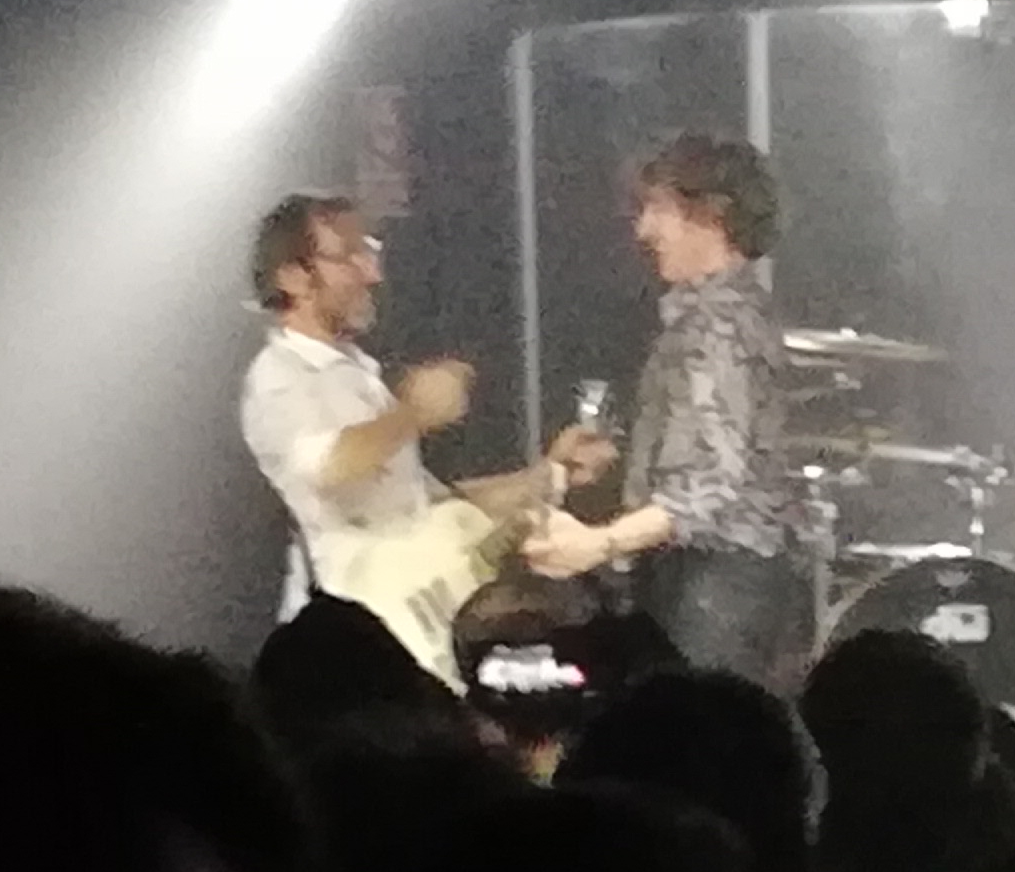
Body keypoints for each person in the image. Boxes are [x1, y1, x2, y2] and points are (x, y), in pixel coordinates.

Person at [237, 194, 604, 685]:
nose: (373, 273)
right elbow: (329, 466)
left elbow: (430, 504)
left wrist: (551, 473)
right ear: (292, 276)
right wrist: (414, 413)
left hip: (428, 638)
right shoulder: (278, 380)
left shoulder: (358, 374)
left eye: (370, 251)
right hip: (366, 646)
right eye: (350, 255)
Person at [549, 135, 808, 686]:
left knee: (691, 728)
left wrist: (596, 543)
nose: (643, 230)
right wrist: (624, 455)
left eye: (658, 208)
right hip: (719, 580)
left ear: (712, 214)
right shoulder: (722, 314)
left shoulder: (716, 327)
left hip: (715, 584)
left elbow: (709, 485)